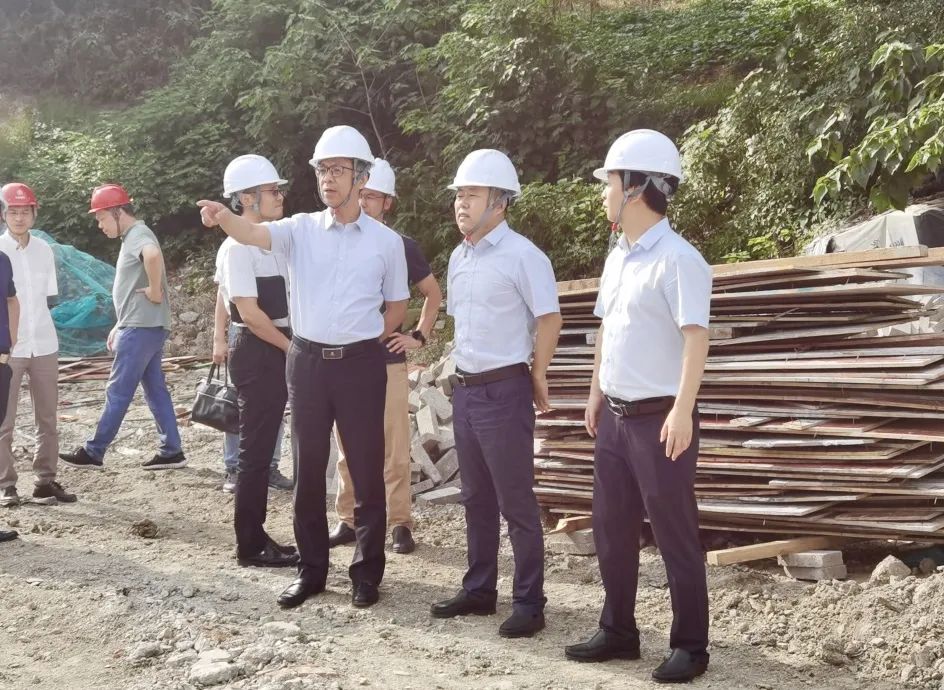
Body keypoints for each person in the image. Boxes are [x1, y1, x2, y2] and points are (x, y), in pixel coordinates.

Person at [198, 125, 409, 610]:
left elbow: (397, 306)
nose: (327, 178)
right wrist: (223, 216)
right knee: (308, 471)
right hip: (308, 363)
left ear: (362, 177)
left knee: (366, 471)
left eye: (338, 170)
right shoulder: (299, 230)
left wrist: (363, 338)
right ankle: (311, 570)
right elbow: (252, 233)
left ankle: (366, 574)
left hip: (361, 365)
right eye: (322, 170)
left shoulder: (386, 242)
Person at [564, 130, 712, 684]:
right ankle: (619, 631)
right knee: (612, 528)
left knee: (675, 533)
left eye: (609, 183)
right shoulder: (619, 258)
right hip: (615, 417)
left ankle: (691, 647)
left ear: (634, 187)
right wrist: (595, 393)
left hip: (661, 420)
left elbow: (696, 339)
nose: (603, 193)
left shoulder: (680, 260)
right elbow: (607, 329)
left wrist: (682, 410)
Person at [430, 149, 561, 639]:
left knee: (516, 502)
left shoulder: (524, 256)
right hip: (466, 390)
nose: (461, 204)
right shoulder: (458, 257)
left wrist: (538, 372)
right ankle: (480, 589)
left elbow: (550, 317)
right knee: (476, 497)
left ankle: (529, 602)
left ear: (500, 201)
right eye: (459, 195)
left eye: (472, 194)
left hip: (505, 389)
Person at [329, 158, 442, 555]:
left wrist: (418, 336)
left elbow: (433, 294)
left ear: (388, 202)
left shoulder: (399, 245)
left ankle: (399, 523)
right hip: (344, 360)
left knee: (393, 446)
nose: (364, 201)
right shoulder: (337, 241)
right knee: (346, 445)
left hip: (385, 359)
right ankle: (348, 518)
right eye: (361, 194)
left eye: (373, 196)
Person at [59, 184, 186, 471]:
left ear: (118, 212)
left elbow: (152, 256)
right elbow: (132, 286)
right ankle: (172, 451)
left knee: (118, 390)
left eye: (102, 218)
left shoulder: (138, 235)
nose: (100, 225)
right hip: (144, 325)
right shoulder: (133, 236)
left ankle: (94, 452)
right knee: (155, 390)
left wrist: (155, 290)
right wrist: (120, 323)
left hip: (141, 328)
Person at [213, 154, 297, 568]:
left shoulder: (273, 238)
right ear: (246, 198)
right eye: (271, 190)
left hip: (277, 343)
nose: (279, 196)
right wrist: (291, 349)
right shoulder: (236, 249)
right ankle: (249, 543)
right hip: (259, 349)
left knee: (262, 448)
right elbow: (248, 313)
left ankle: (258, 535)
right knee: (255, 451)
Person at [0, 183, 76, 507]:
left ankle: (45, 481)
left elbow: (45, 298)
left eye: (25, 211)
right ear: (4, 215)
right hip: (7, 348)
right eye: (13, 212)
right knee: (4, 420)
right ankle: (6, 485)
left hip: (44, 343)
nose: (19, 217)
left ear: (34, 213)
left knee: (47, 418)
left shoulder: (44, 249)